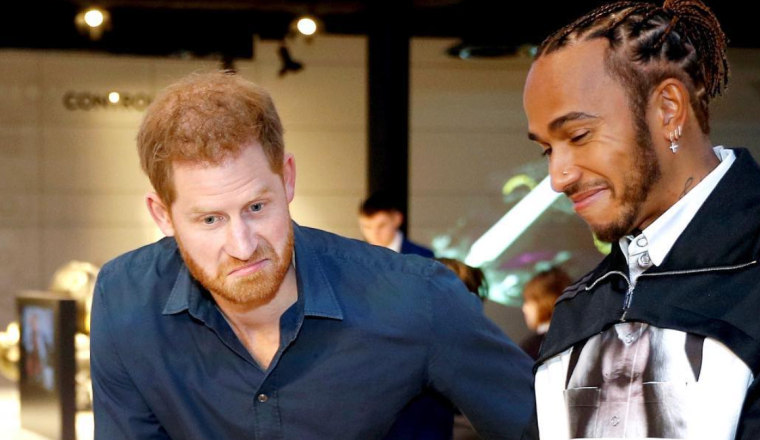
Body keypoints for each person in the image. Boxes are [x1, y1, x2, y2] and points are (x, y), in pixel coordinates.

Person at [90, 72, 533, 440]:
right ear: (162, 215)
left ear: (287, 179)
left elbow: (545, 427)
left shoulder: (417, 296)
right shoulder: (125, 299)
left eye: (256, 207)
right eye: (210, 220)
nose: (243, 246)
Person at [521, 0, 760, 438]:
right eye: (547, 150)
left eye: (578, 135)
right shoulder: (579, 305)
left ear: (668, 109)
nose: (558, 177)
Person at [359, 192, 435, 258]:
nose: (374, 234)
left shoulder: (423, 257)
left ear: (397, 219)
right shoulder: (357, 258)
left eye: (381, 226)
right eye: (367, 227)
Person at [519, 268, 571, 360]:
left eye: (528, 301)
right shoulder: (584, 333)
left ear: (544, 301)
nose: (524, 308)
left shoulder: (532, 348)